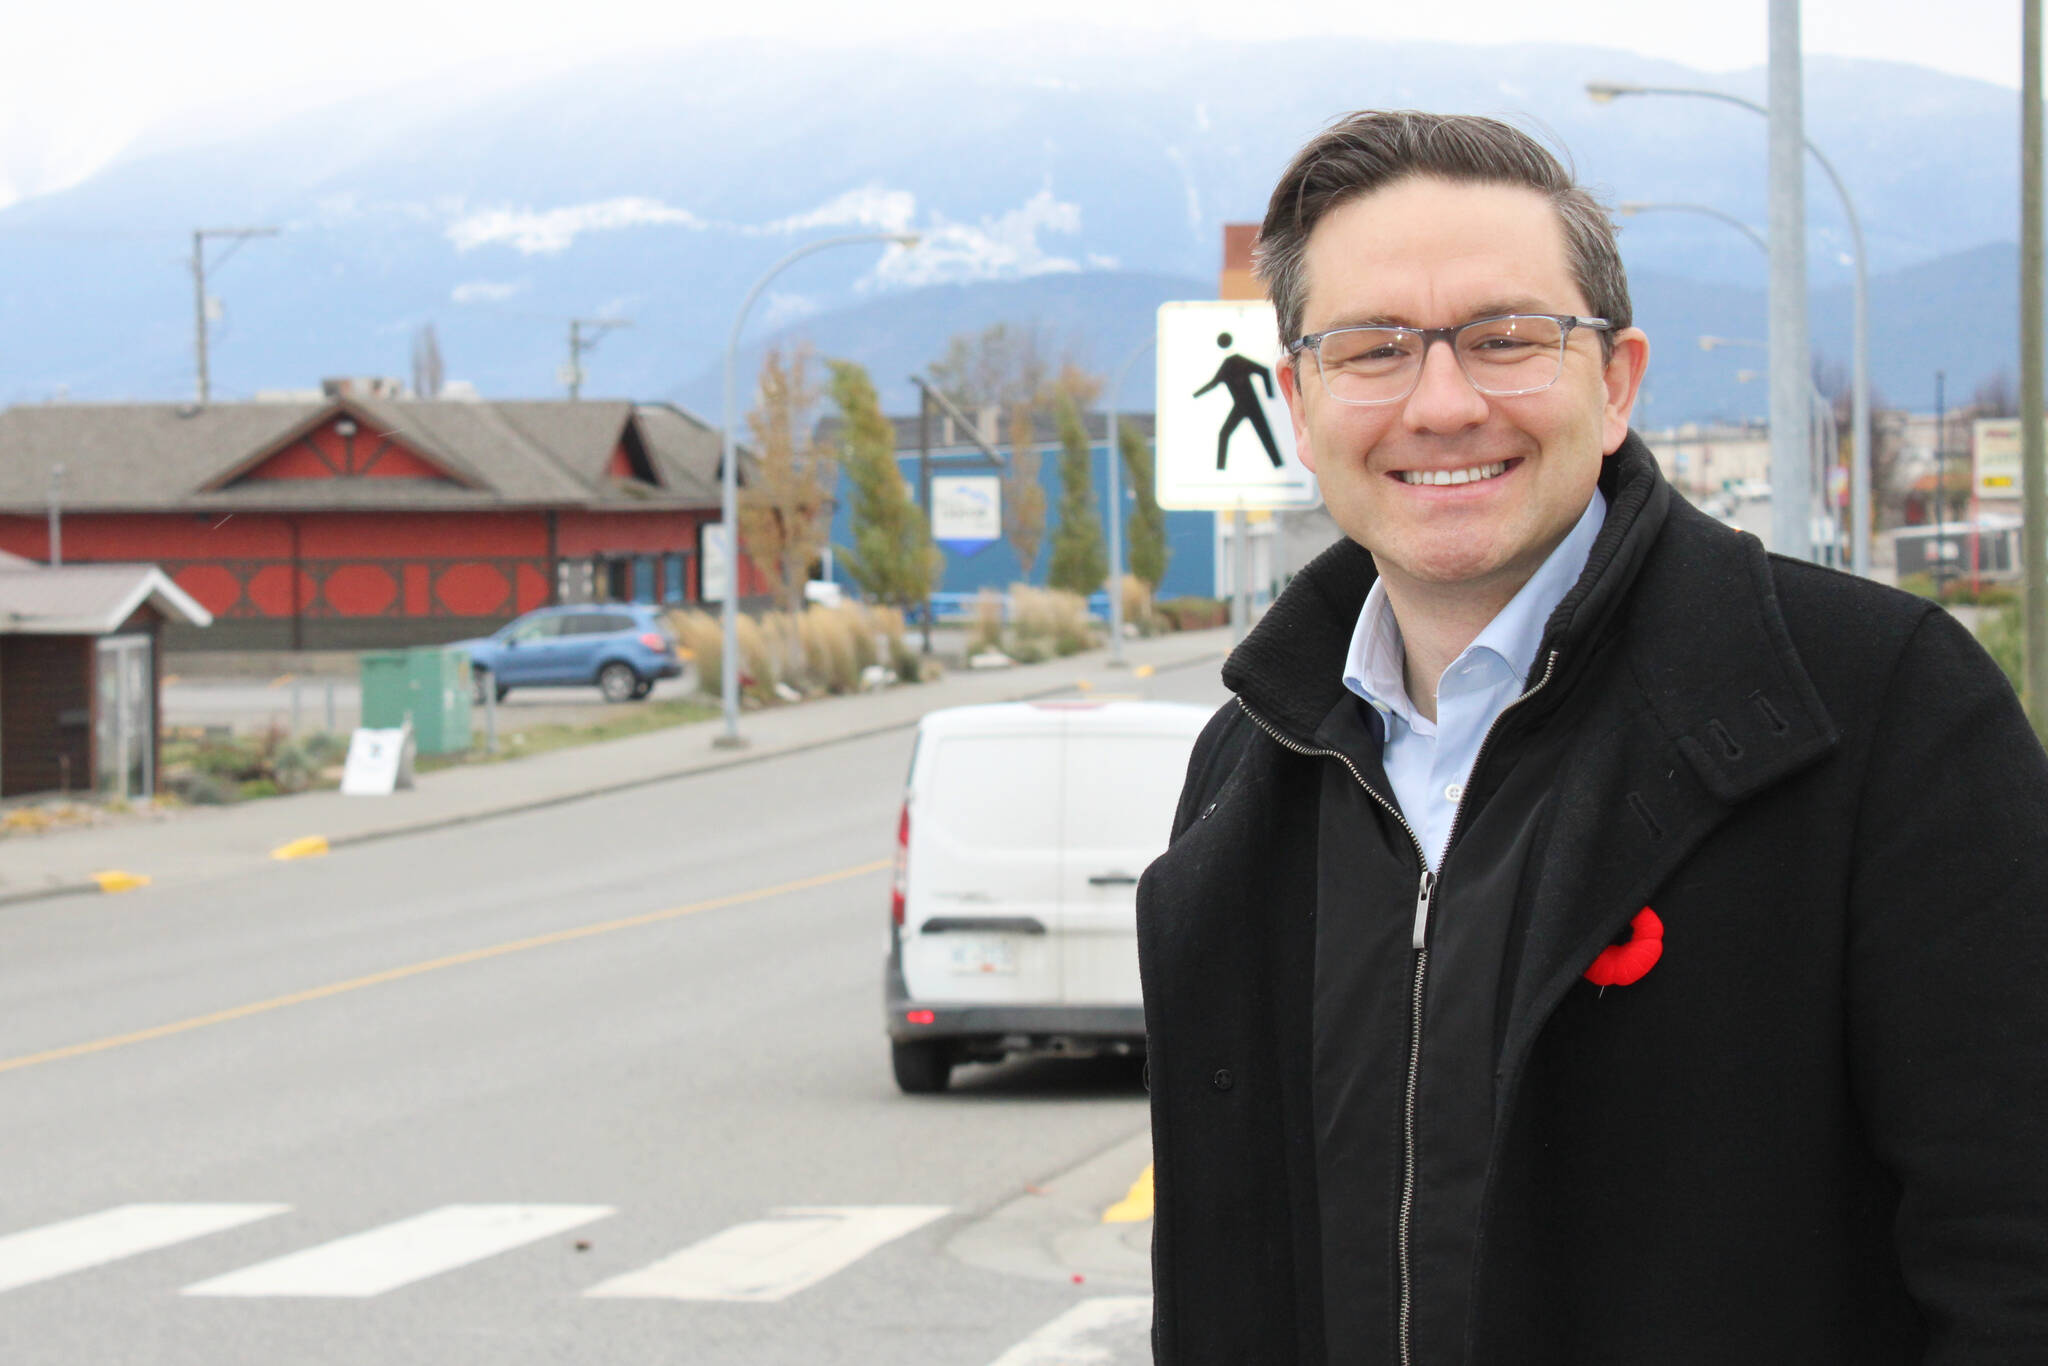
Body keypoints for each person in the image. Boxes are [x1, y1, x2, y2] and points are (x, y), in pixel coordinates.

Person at [1135, 110, 2048, 1366]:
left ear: (1613, 382)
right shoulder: (1249, 766)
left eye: (1506, 339)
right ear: (1299, 400)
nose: (1441, 402)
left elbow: (2013, 1250)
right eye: (1370, 349)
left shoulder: (1877, 706)